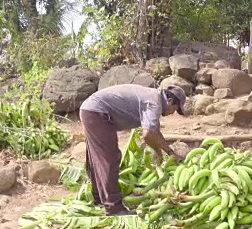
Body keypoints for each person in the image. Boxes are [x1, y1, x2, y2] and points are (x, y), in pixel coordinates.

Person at [79, 83, 187, 216]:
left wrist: (170, 153)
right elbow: (147, 135)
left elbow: (155, 133)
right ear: (170, 101)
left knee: (98, 159)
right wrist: (158, 152)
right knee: (109, 158)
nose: (172, 114)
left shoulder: (153, 97)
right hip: (97, 113)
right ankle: (114, 208)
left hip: (91, 110)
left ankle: (99, 198)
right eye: (175, 109)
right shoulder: (154, 102)